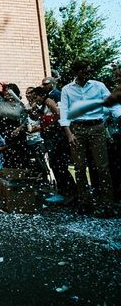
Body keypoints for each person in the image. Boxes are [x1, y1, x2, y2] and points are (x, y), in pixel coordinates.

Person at [59, 60, 121, 216]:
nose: (88, 74)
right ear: (76, 72)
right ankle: (85, 202)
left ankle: (107, 203)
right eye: (85, 71)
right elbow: (64, 113)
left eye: (89, 71)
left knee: (102, 167)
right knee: (79, 168)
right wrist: (69, 134)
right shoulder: (67, 89)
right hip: (77, 129)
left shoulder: (98, 86)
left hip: (97, 128)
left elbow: (113, 104)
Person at [0, 63, 29, 169]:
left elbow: (25, 120)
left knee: (16, 156)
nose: (6, 93)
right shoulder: (1, 102)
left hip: (16, 132)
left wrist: (18, 129)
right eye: (5, 91)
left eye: (9, 91)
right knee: (3, 156)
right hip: (2, 129)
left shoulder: (21, 105)